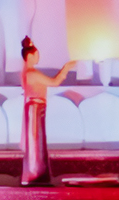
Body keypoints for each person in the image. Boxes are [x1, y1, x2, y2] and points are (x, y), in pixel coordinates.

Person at [19, 37, 76, 185]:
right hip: (35, 109)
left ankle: (38, 174)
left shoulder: (30, 73)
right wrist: (66, 68)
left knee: (38, 141)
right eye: (36, 55)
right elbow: (54, 82)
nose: (38, 57)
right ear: (30, 56)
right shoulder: (31, 73)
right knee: (35, 142)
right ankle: (35, 174)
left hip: (37, 109)